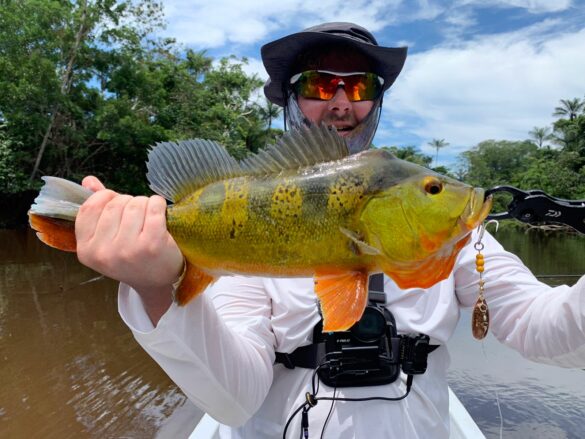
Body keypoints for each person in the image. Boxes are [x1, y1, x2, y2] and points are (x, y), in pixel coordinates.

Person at [75, 23, 585, 438]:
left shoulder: (456, 233)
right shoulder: (254, 217)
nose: (341, 102)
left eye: (359, 86)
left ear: (376, 101)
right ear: (291, 101)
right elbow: (234, 399)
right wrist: (154, 286)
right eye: (320, 85)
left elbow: (548, 331)